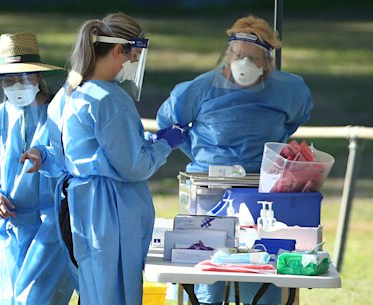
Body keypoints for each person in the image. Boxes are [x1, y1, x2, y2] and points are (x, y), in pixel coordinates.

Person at [20, 12, 187, 305]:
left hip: (75, 204)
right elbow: (134, 167)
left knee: (92, 288)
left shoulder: (68, 92)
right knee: (113, 292)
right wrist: (163, 145)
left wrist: (41, 156)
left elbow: (62, 153)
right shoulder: (108, 100)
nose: (133, 63)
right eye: (132, 55)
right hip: (108, 211)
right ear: (117, 50)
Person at [156, 15, 313, 305]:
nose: (245, 64)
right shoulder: (199, 89)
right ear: (228, 55)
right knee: (207, 271)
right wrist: (204, 155)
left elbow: (291, 122)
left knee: (262, 269)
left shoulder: (288, 89)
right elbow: (170, 126)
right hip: (208, 190)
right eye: (239, 56)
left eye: (254, 58)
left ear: (268, 62)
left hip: (263, 193)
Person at [0, 32, 74, 305]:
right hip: (8, 228)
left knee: (40, 298)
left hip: (52, 226)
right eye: (9, 80)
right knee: (8, 297)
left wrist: (46, 158)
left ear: (38, 77)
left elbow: (75, 164)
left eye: (22, 78)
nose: (16, 85)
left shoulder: (59, 115)